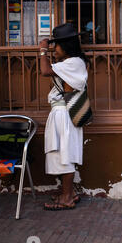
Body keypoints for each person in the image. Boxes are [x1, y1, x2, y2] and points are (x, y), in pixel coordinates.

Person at [39, 23, 89, 211]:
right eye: (51, 47)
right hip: (61, 113)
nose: (53, 50)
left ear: (66, 46)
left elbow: (45, 71)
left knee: (66, 155)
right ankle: (68, 193)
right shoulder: (70, 63)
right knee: (61, 153)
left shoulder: (74, 62)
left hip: (65, 114)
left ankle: (67, 197)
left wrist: (42, 50)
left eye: (56, 46)